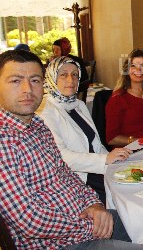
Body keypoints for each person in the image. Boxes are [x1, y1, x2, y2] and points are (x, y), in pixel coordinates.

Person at [0, 50, 143, 250]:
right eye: (15, 81)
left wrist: (94, 204)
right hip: (57, 242)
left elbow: (66, 174)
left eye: (34, 80)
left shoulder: (38, 126)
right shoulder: (4, 141)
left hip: (81, 214)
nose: (27, 89)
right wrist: (89, 225)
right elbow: (30, 221)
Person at [37, 56, 132, 203]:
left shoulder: (79, 105)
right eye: (63, 74)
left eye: (75, 74)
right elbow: (61, 157)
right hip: (77, 180)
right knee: (126, 198)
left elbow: (96, 145)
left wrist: (115, 160)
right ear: (51, 77)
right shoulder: (45, 111)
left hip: (96, 170)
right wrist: (105, 160)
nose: (71, 79)